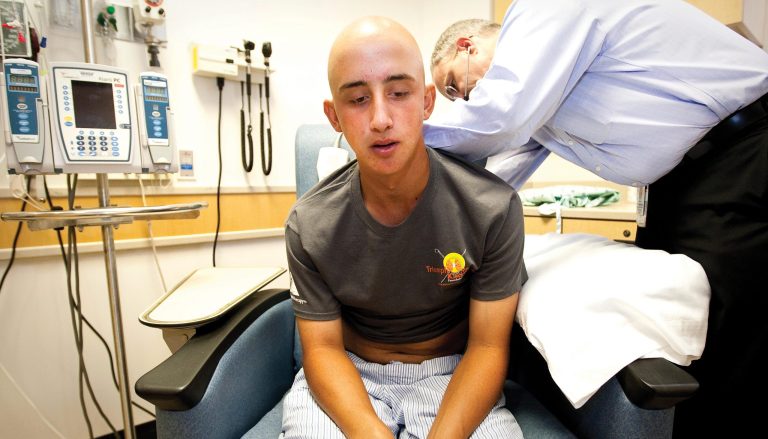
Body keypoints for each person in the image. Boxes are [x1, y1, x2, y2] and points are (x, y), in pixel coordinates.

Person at [423, 0, 768, 436]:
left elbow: (496, 120)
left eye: (455, 86)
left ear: (466, 45)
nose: (464, 100)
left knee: (729, 330)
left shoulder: (541, 14)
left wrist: (397, 146)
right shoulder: (539, 106)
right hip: (686, 183)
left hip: (744, 149)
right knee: (691, 323)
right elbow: (497, 178)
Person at [281, 16, 528, 439]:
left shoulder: (492, 209)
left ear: (427, 101)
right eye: (357, 99)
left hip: (455, 374)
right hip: (349, 374)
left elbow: (487, 347)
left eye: (398, 93)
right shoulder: (310, 223)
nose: (380, 118)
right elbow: (321, 349)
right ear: (334, 116)